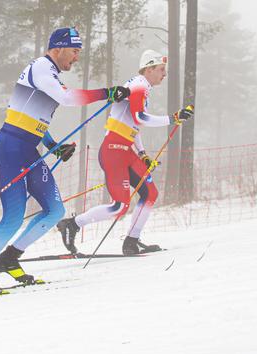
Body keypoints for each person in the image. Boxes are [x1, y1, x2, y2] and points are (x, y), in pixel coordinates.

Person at [0, 27, 132, 297]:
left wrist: (53, 147)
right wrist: (107, 93)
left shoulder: (48, 74)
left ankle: (10, 258)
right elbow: (66, 97)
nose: (75, 58)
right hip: (10, 148)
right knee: (13, 217)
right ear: (59, 47)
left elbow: (34, 118)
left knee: (55, 210)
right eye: (74, 51)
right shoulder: (42, 67)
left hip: (28, 148)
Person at [57, 50, 194, 255]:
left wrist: (142, 154)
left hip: (125, 150)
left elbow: (132, 127)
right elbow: (141, 118)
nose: (164, 74)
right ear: (149, 69)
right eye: (161, 70)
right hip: (113, 151)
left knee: (150, 193)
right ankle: (72, 224)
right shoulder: (139, 86)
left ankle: (131, 241)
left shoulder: (141, 86)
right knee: (119, 206)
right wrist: (173, 118)